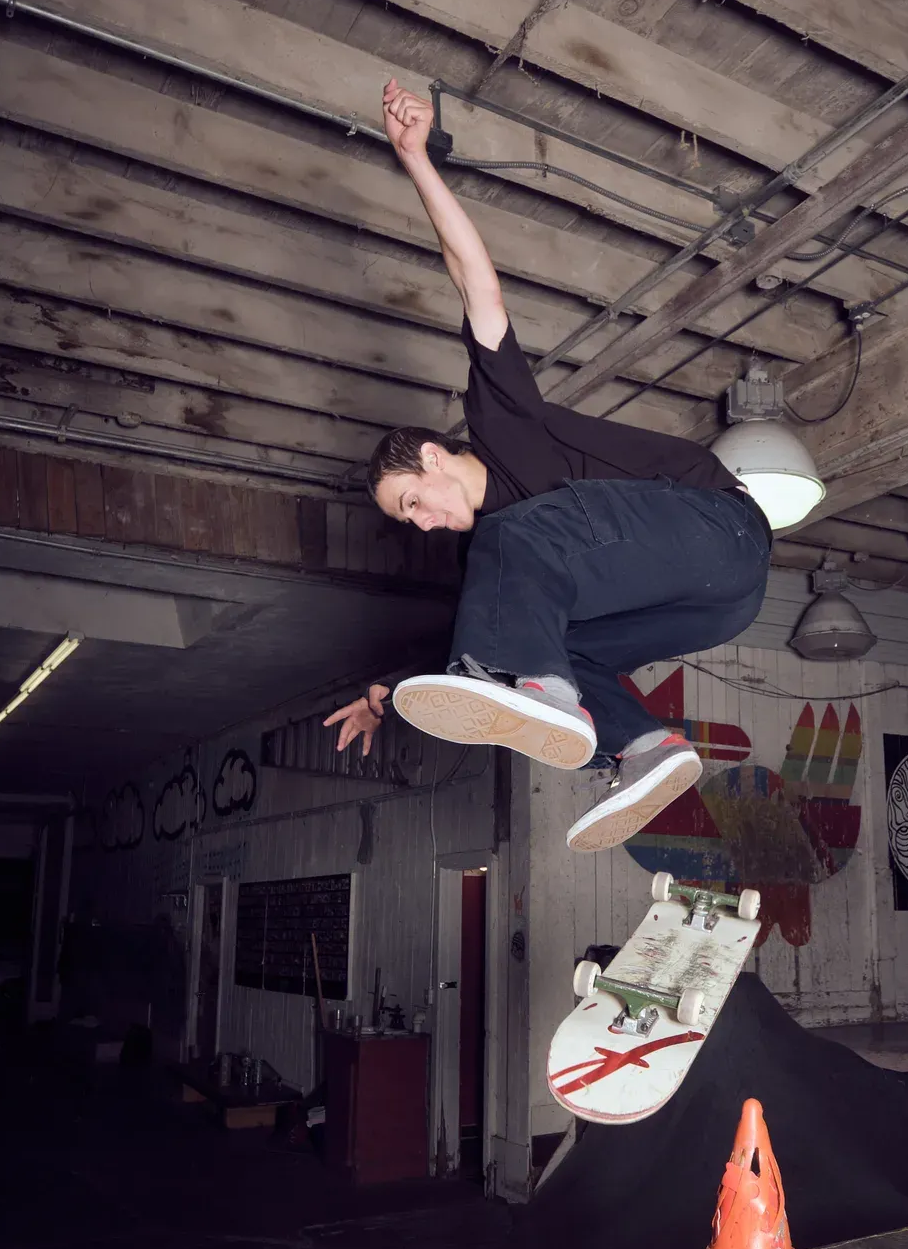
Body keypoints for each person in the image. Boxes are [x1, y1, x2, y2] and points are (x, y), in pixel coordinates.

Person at [325, 81, 772, 852]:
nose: (423, 524)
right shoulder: (501, 563)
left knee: (510, 547)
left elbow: (475, 281)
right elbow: (479, 655)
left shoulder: (500, 418)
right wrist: (388, 696)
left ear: (433, 455)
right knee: (559, 636)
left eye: (413, 503)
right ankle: (646, 747)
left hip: (718, 527)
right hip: (719, 604)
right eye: (411, 521)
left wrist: (416, 161)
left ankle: (552, 696)